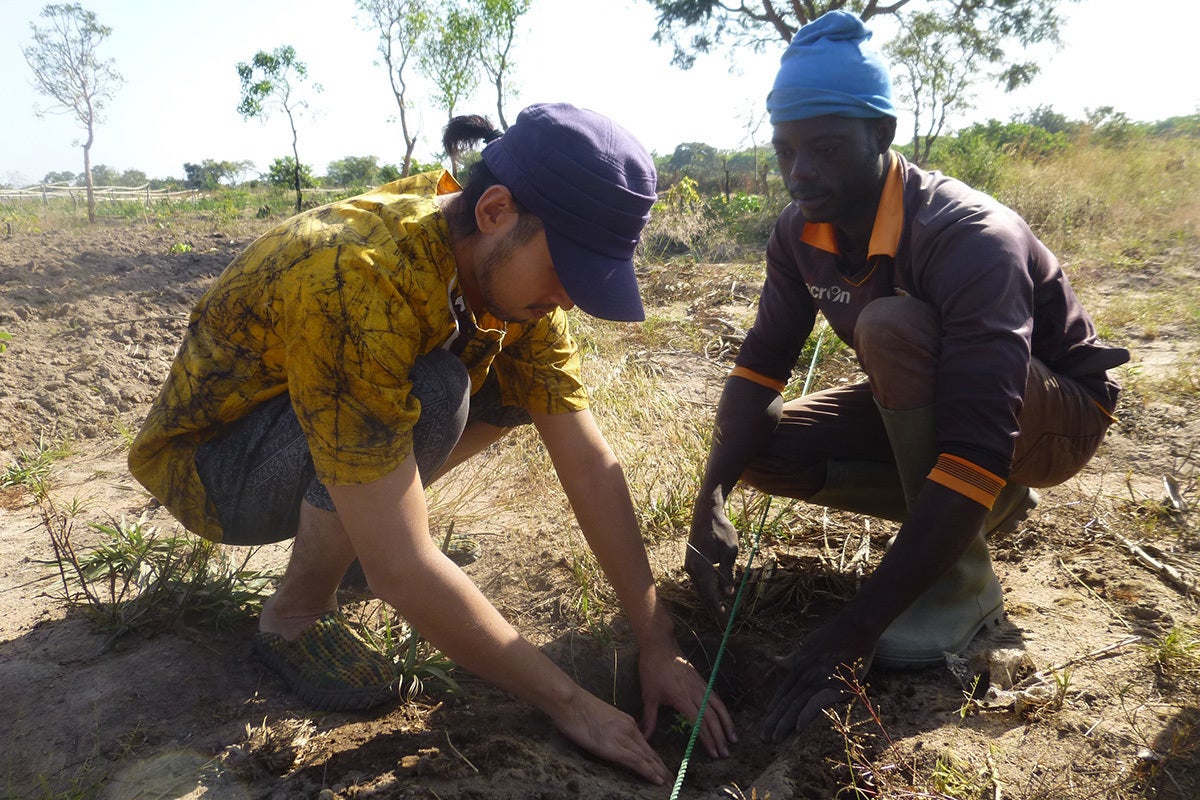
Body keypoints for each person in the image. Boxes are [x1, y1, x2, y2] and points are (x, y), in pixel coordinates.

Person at [128, 102, 735, 784]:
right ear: (496, 211)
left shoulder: (500, 271)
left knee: (507, 386)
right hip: (219, 469)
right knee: (440, 387)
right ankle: (297, 613)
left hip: (298, 433)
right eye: (566, 269)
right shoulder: (357, 276)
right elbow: (405, 570)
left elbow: (588, 460)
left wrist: (657, 641)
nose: (568, 298)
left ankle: (358, 535)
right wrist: (572, 704)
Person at [684, 12, 1129, 742]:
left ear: (881, 136)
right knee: (760, 448)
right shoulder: (800, 232)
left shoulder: (966, 235)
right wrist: (710, 500)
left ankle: (963, 588)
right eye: (785, 150)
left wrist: (858, 624)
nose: (800, 172)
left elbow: (982, 439)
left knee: (892, 327)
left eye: (825, 148)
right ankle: (969, 518)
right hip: (957, 409)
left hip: (1055, 419)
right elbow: (759, 368)